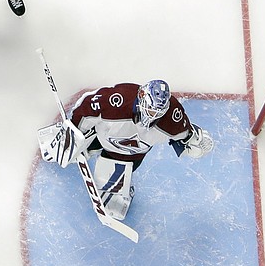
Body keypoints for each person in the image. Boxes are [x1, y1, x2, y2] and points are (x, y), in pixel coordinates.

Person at [38, 80, 214, 220]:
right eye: (150, 109)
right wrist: (74, 131)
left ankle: (121, 188)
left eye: (157, 112)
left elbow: (187, 135)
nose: (151, 115)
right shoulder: (118, 99)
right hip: (101, 136)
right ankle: (76, 146)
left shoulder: (172, 119)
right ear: (142, 98)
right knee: (67, 151)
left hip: (130, 155)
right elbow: (87, 105)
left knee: (109, 194)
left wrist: (196, 143)